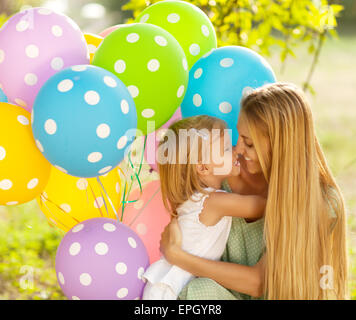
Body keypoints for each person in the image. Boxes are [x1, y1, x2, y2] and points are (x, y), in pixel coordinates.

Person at [160, 82, 349, 300]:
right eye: (238, 137)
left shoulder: (321, 202)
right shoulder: (223, 175)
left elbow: (258, 283)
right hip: (226, 295)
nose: (238, 149)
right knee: (198, 292)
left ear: (282, 145)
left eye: (249, 143)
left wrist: (177, 256)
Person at [142, 115, 266, 300]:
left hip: (166, 288)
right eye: (225, 149)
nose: (235, 151)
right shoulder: (213, 201)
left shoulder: (194, 200)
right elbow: (264, 206)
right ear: (203, 168)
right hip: (171, 291)